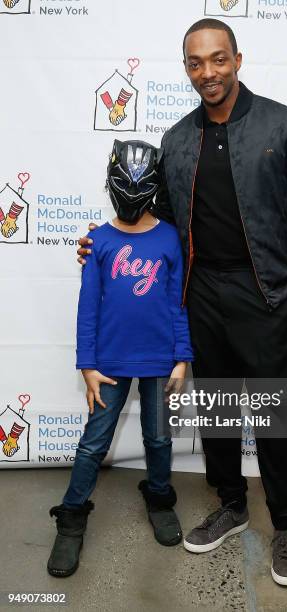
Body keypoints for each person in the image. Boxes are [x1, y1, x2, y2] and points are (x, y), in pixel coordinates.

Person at [77, 20, 287, 587]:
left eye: (218, 60)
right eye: (196, 63)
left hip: (266, 292)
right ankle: (231, 502)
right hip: (201, 294)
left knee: (271, 417)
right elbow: (160, 226)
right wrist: (105, 243)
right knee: (218, 411)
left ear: (237, 60)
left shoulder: (286, 125)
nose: (208, 73)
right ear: (187, 68)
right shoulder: (176, 140)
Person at [48, 139, 193, 578]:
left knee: (160, 440)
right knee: (94, 443)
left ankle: (160, 497)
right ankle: (72, 517)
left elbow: (178, 303)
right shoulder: (98, 241)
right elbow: (87, 307)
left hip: (159, 363)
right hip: (109, 366)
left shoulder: (169, 237)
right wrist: (88, 366)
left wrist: (182, 357)